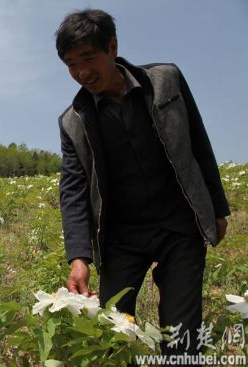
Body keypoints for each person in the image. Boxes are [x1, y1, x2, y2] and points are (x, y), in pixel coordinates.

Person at [55, 9, 229, 362]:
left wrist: (218, 208)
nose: (82, 73)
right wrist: (79, 257)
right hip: (121, 237)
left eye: (88, 58)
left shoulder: (166, 80)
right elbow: (73, 190)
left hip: (179, 225)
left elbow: (198, 141)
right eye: (71, 65)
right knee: (112, 328)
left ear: (113, 47)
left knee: (181, 333)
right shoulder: (73, 121)